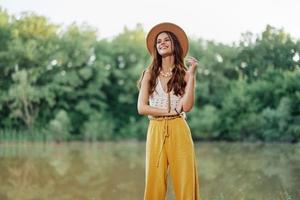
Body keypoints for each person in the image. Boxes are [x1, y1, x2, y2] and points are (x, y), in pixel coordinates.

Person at [137, 22, 200, 200]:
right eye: (158, 41)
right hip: (156, 129)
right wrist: (167, 112)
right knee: (154, 181)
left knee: (185, 181)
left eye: (166, 40)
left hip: (179, 129)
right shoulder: (149, 74)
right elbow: (141, 108)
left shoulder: (185, 74)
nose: (161, 43)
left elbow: (186, 107)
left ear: (175, 44)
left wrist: (193, 76)